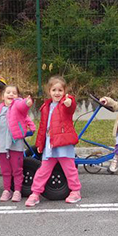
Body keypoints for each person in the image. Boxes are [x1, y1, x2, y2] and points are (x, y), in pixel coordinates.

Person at [26, 76, 82, 206]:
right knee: (43, 171)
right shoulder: (46, 106)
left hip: (63, 144)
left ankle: (75, 191)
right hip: (50, 145)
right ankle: (35, 193)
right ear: (49, 91)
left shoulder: (66, 103)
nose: (57, 93)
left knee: (70, 169)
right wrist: (39, 143)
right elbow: (43, 127)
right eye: (54, 90)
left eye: (60, 90)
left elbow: (71, 106)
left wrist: (69, 102)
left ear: (64, 91)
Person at [0, 84, 34, 202]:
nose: (11, 95)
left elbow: (24, 110)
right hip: (1, 143)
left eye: (14, 93)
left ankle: (17, 191)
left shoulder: (18, 107)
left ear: (18, 96)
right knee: (5, 170)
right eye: (8, 92)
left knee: (17, 169)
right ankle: (6, 190)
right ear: (3, 96)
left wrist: (27, 103)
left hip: (15, 143)